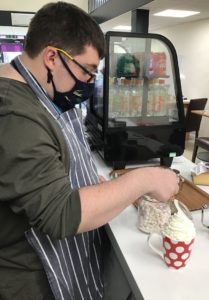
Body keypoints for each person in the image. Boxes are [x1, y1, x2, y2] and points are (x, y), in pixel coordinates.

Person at [0, 2, 179, 300]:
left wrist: (85, 179)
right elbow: (60, 214)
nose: (89, 83)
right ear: (52, 57)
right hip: (34, 276)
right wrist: (147, 178)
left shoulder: (45, 87)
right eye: (87, 71)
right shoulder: (15, 114)